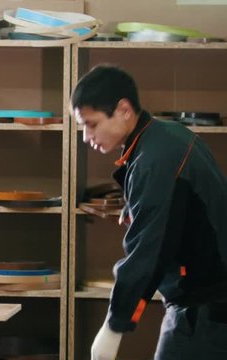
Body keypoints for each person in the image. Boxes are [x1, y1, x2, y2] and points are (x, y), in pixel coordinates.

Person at [70, 65, 227, 360]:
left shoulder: (155, 160)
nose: (85, 136)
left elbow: (147, 251)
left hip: (207, 309)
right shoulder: (164, 138)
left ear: (124, 110)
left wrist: (114, 326)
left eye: (91, 124)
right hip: (205, 302)